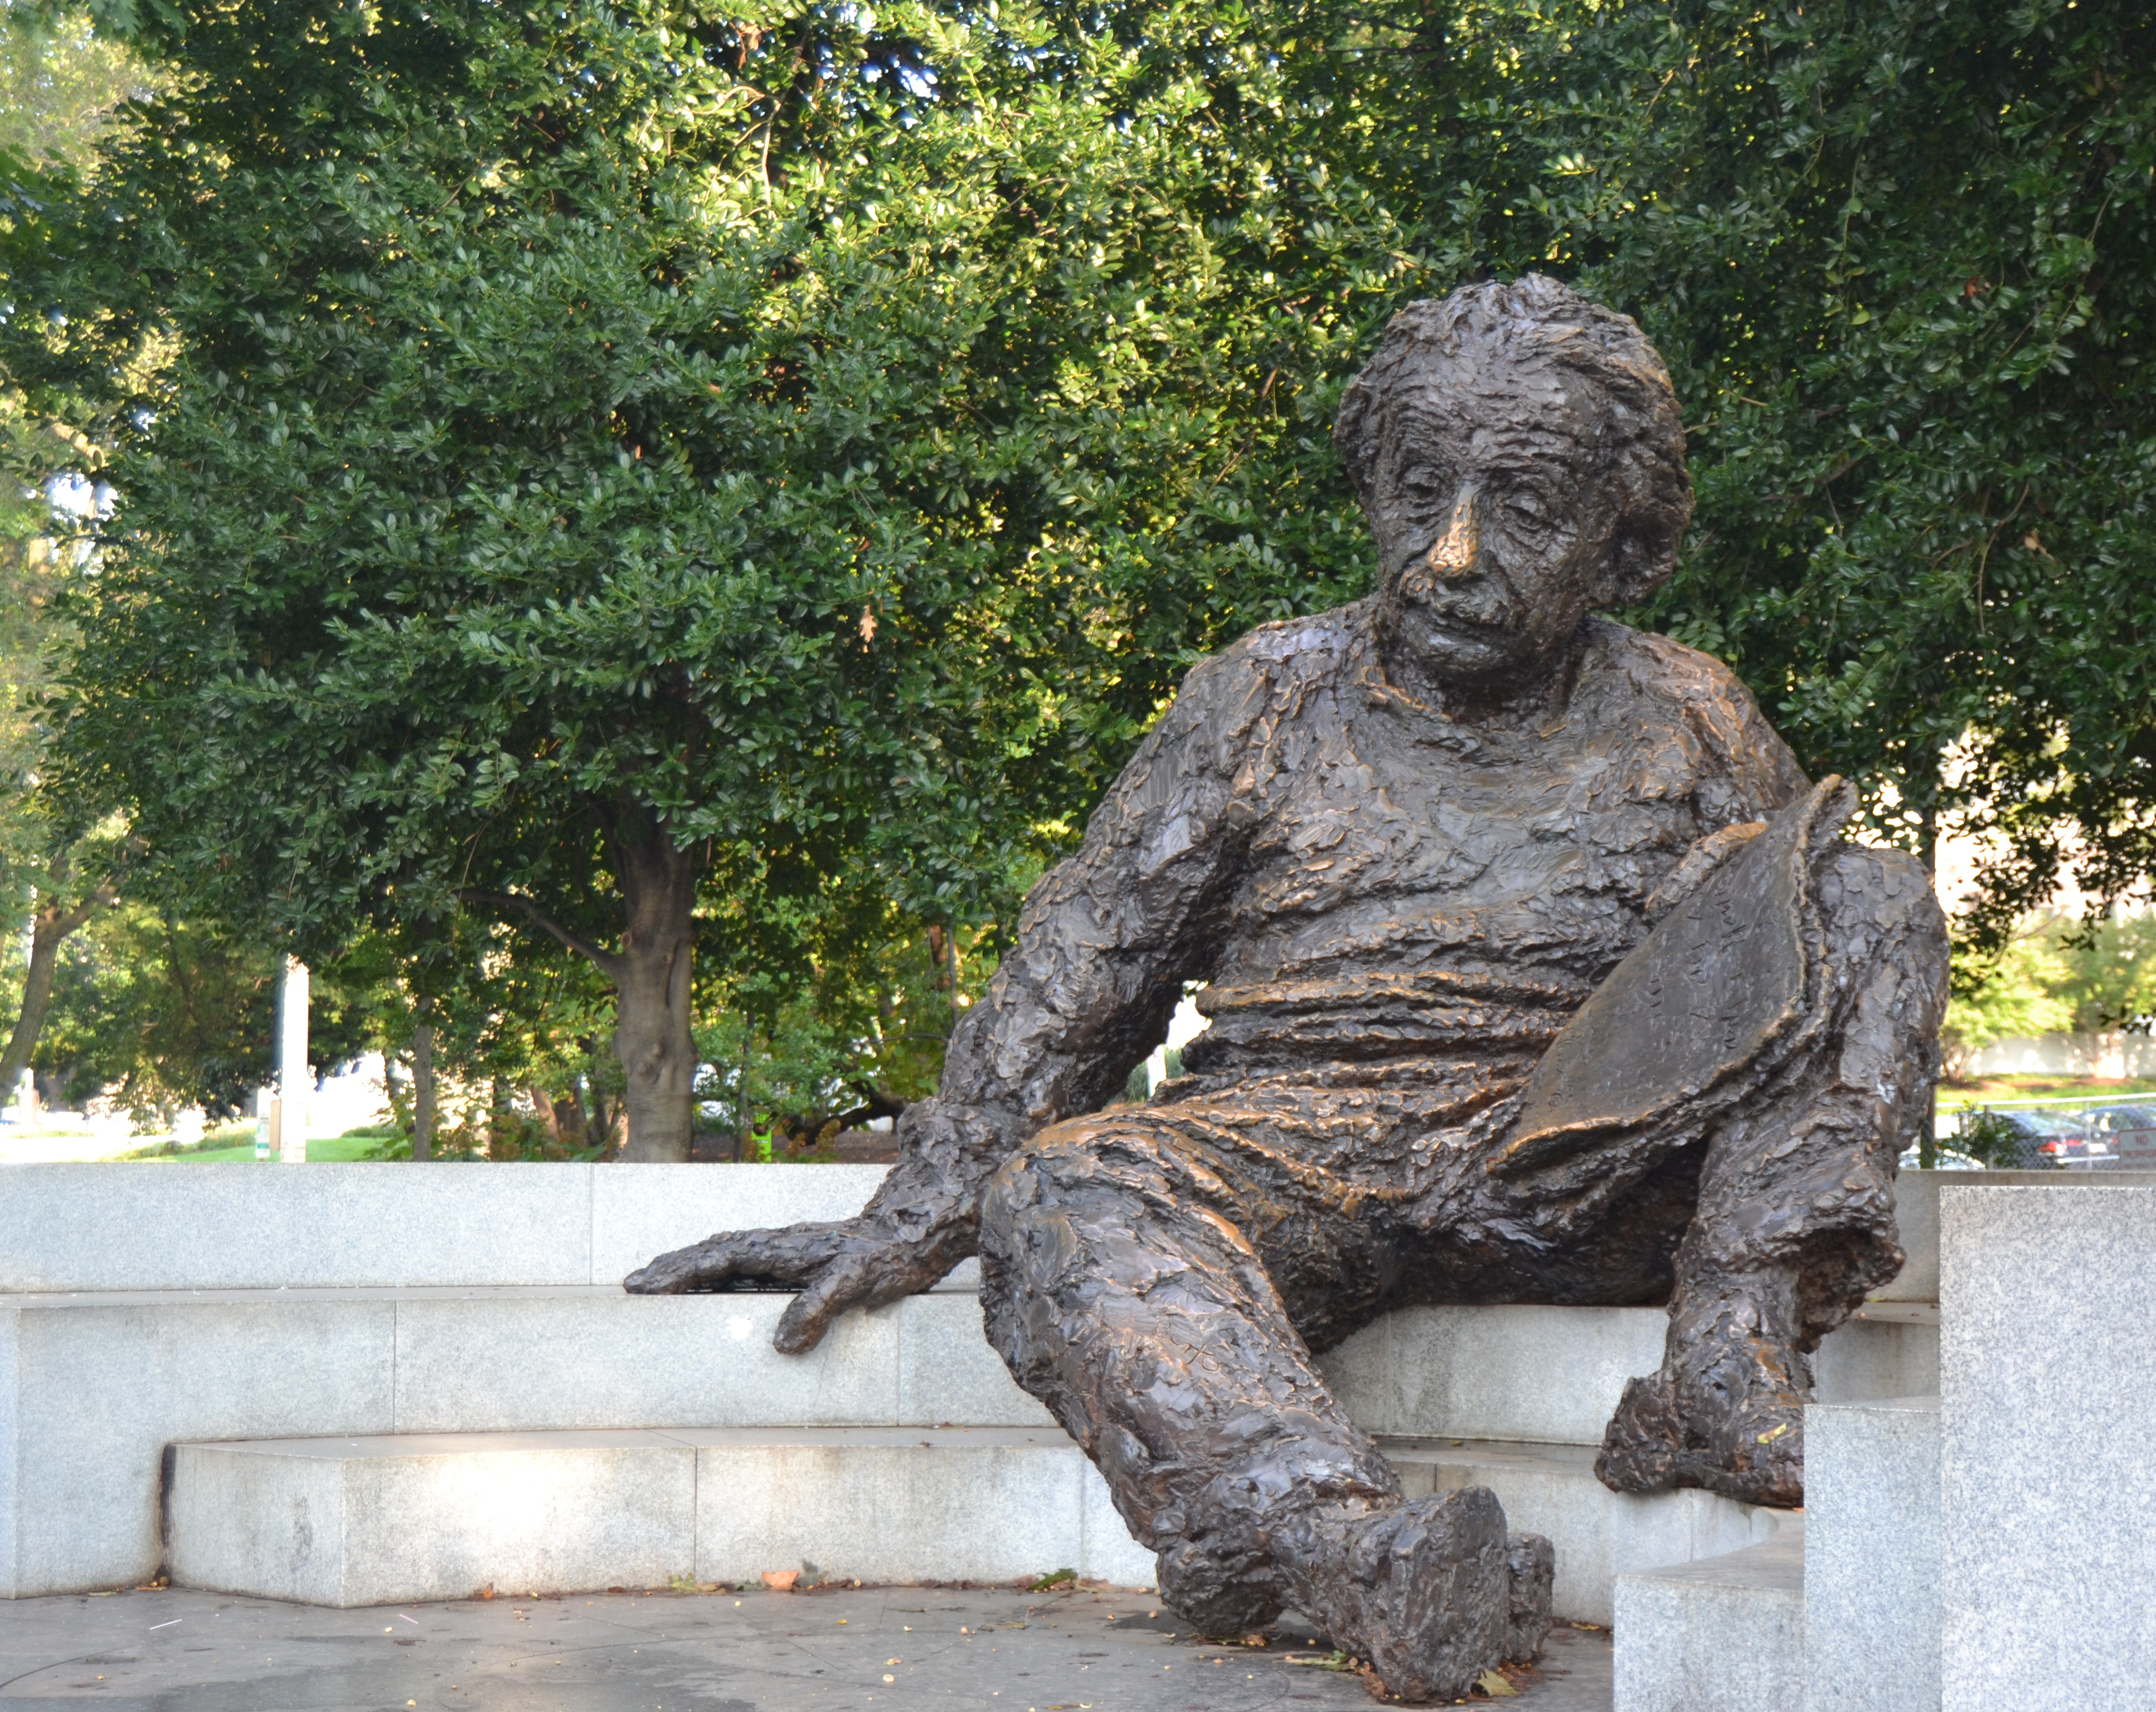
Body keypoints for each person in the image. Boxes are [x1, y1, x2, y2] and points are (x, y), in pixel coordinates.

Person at [630, 274, 1945, 1700]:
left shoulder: (1691, 712)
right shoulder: (1264, 695)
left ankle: (1728, 1360)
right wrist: (919, 1207)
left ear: (1625, 548)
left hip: (1585, 1163)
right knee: (1066, 1188)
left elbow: (1771, 978)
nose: (1450, 553)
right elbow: (1087, 967)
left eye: (1522, 506)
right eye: (1418, 493)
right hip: (1299, 1152)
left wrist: (1729, 912)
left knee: (1860, 892)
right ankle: (1353, 1555)